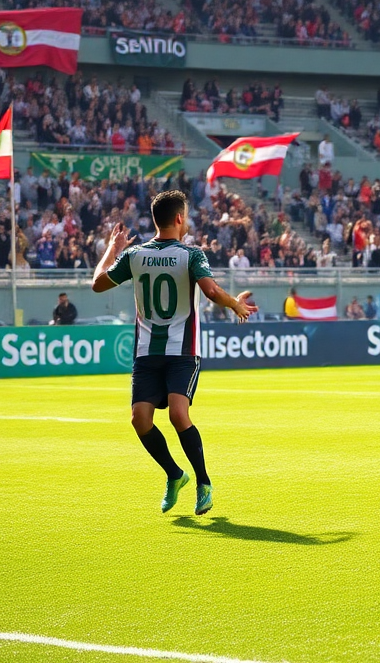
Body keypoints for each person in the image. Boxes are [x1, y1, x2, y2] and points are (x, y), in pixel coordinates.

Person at [91, 191, 258, 517]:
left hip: (175, 352)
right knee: (158, 417)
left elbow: (97, 283)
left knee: (150, 419)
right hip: (158, 352)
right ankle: (175, 474)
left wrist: (113, 248)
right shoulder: (192, 255)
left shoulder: (135, 254)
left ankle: (203, 483)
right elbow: (211, 291)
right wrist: (235, 304)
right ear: (179, 218)